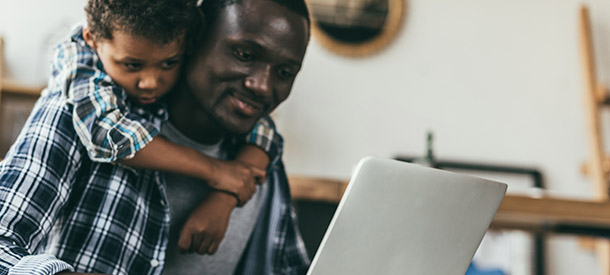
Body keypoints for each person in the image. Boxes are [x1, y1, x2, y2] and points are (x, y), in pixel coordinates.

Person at [0, 0, 310, 274]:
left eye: (284, 73)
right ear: (195, 37)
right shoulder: (77, 115)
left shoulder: (262, 159)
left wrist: (227, 193)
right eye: (245, 54)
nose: (263, 86)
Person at [58, 0, 274, 207]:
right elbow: (105, 132)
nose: (151, 83)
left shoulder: (182, 44)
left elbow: (263, 128)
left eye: (169, 63)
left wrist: (226, 195)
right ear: (91, 39)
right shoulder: (79, 58)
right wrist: (215, 170)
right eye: (132, 65)